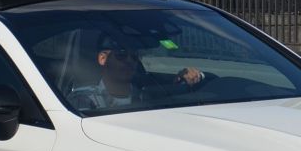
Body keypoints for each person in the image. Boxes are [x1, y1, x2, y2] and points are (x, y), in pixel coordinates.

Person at [69, 35, 206, 111]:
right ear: (103, 58)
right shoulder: (84, 99)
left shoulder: (146, 97)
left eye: (134, 56)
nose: (129, 61)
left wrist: (183, 79)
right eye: (121, 54)